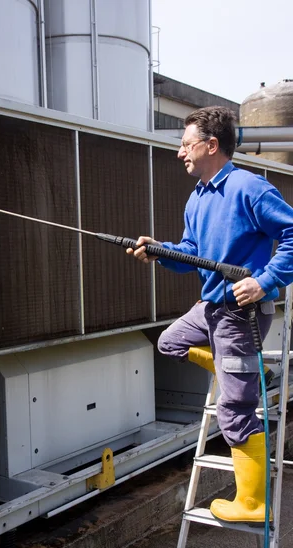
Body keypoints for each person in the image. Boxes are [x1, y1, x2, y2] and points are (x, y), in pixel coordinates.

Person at [127, 106, 293, 523]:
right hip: (210, 310)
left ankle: (253, 504)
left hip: (240, 315)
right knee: (170, 341)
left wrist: (265, 281)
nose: (180, 152)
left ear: (211, 144)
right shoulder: (196, 198)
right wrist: (159, 251)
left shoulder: (248, 188)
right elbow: (191, 255)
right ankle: (242, 370)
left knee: (234, 411)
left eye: (185, 144)